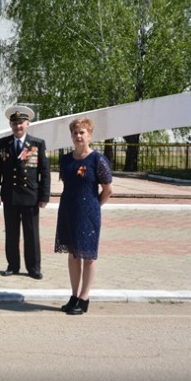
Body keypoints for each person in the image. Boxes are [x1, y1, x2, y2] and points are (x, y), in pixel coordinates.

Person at [54, 117, 113, 315]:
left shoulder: (97, 159)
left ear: (89, 135)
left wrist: (95, 205)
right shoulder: (66, 160)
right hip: (68, 210)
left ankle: (84, 297)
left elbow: (108, 189)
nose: (78, 136)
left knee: (87, 256)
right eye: (75, 133)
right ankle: (74, 295)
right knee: (72, 254)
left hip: (88, 213)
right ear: (71, 136)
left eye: (82, 132)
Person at [0, 105, 50, 280]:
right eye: (15, 123)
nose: (18, 126)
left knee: (32, 234)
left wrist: (44, 196)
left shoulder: (37, 144)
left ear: (28, 124)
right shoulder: (3, 144)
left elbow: (44, 172)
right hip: (10, 195)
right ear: (10, 125)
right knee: (11, 233)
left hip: (31, 196)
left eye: (21, 123)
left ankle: (34, 268)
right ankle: (13, 265)